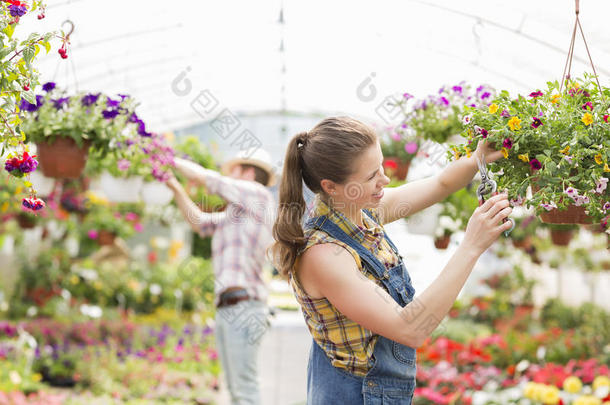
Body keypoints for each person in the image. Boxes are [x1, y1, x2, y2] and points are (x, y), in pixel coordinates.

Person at [269, 116, 511, 404]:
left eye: (381, 166)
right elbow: (410, 329)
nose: (384, 180)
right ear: (331, 186)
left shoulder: (360, 210)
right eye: (371, 176)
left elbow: (441, 184)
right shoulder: (324, 255)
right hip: (353, 395)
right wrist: (471, 246)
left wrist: (476, 160)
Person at [166, 147, 277, 405]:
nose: (228, 176)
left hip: (245, 304)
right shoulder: (235, 214)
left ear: (248, 173)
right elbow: (199, 222)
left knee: (244, 390)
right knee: (236, 389)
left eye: (234, 171)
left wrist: (169, 159)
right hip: (229, 305)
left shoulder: (258, 196)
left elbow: (209, 180)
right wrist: (175, 188)